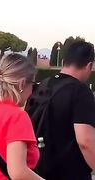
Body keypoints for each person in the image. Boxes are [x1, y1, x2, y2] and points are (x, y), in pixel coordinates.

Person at [26, 41, 95, 180]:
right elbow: (85, 140)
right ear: (89, 65)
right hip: (69, 172)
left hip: (37, 170)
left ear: (63, 61)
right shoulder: (80, 91)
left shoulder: (40, 87)